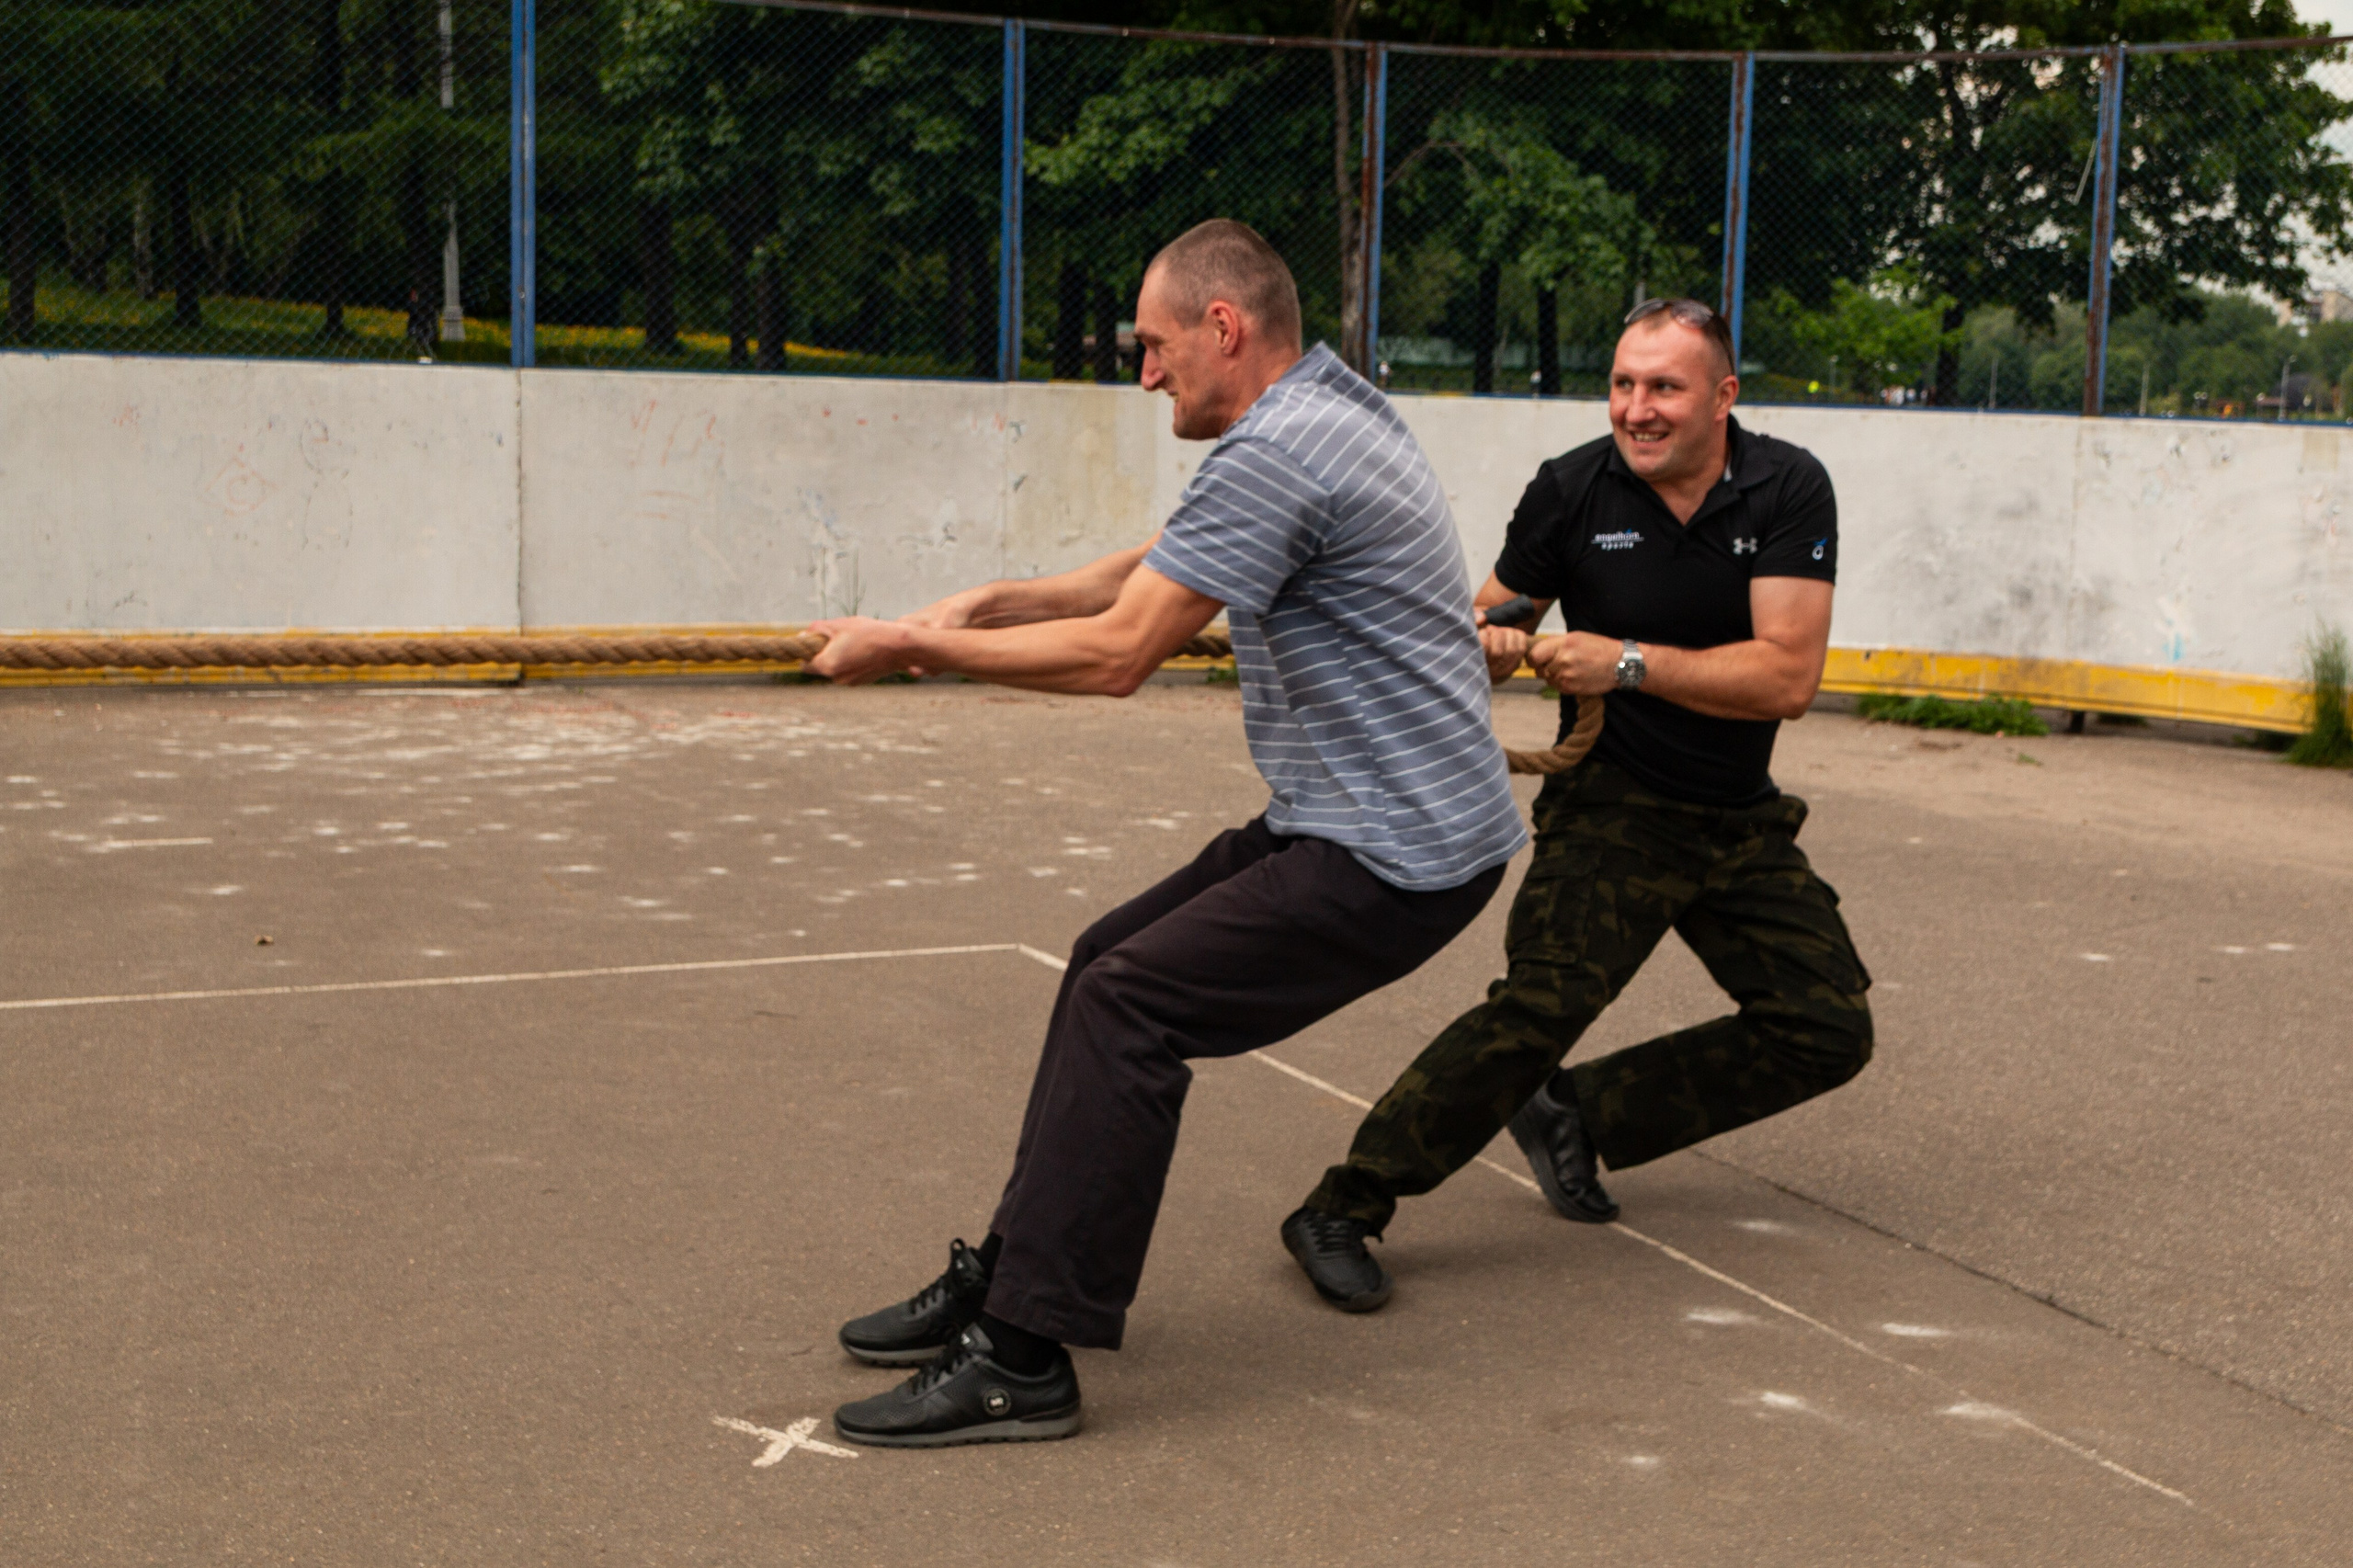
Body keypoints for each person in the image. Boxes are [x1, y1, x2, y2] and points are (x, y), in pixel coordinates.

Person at [802, 219, 1526, 1446]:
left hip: (1392, 852)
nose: (1145, 374)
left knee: (1129, 1005)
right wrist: (987, 597)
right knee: (1104, 959)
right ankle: (1015, 1266)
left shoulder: (1281, 454)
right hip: (1357, 818)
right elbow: (1155, 564)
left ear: (1224, 329)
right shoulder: (1328, 406)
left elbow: (1119, 652)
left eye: (1154, 345)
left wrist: (914, 645)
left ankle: (1023, 1356)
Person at [1281, 297, 1875, 1312]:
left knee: (1824, 1029)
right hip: (1613, 803)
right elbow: (1482, 619)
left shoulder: (1785, 487)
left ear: (1722, 398)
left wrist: (1628, 662)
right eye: (1622, 384)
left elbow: (1786, 678)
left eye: (1663, 388)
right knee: (1540, 1004)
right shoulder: (1570, 490)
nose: (1635, 409)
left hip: (1736, 814)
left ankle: (1578, 1112)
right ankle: (1343, 1203)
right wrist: (1493, 638)